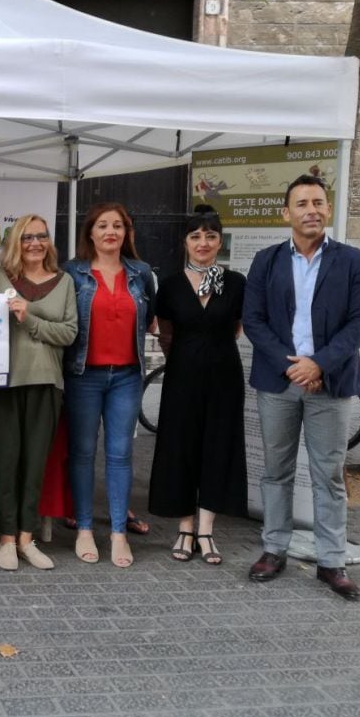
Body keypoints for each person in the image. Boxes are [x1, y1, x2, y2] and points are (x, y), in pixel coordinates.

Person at [243, 174, 360, 600]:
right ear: (287, 213)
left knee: (328, 474)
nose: (311, 210)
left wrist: (319, 363)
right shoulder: (266, 260)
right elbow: (254, 321)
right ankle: (274, 549)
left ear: (328, 209)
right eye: (301, 203)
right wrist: (294, 368)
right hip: (278, 382)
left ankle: (331, 560)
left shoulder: (353, 260)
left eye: (318, 202)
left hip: (330, 383)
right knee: (276, 471)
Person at [147, 205, 247, 565]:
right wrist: (190, 357)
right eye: (195, 236)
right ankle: (185, 528)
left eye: (210, 235)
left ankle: (206, 530)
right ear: (185, 242)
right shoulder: (171, 285)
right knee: (181, 449)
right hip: (182, 378)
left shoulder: (236, 283)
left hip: (224, 377)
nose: (202, 242)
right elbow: (166, 335)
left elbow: (236, 329)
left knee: (218, 448)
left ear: (220, 241)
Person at [63, 202, 155, 568]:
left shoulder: (141, 273)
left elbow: (150, 318)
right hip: (83, 375)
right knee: (83, 452)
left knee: (120, 453)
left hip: (127, 376)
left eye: (117, 225)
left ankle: (118, 532)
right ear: (90, 232)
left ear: (126, 232)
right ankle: (85, 528)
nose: (110, 232)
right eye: (102, 225)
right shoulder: (73, 272)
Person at [0, 215, 77, 571]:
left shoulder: (64, 281)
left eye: (41, 236)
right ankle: (6, 539)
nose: (35, 243)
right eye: (27, 237)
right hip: (4, 381)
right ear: (15, 242)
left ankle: (26, 538)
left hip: (46, 381)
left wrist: (31, 319)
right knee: (6, 462)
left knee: (35, 464)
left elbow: (69, 333)